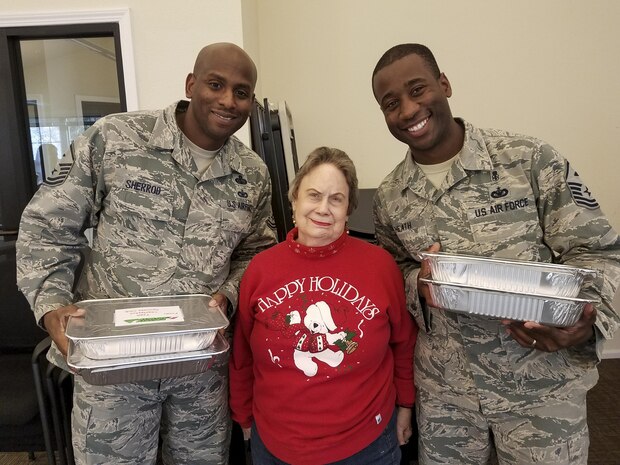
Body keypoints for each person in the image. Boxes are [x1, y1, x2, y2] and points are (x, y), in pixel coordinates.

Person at [16, 42, 277, 465]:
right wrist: (51, 307)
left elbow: (258, 254)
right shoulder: (116, 139)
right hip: (113, 367)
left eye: (241, 92)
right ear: (192, 85)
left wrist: (228, 294)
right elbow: (47, 226)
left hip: (200, 368)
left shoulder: (252, 174)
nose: (229, 100)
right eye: (216, 84)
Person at [371, 43, 620, 465]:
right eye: (391, 103)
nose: (408, 110)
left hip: (542, 386)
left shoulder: (529, 160)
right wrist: (421, 283)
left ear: (445, 85)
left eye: (418, 90)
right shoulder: (390, 195)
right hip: (447, 399)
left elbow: (599, 253)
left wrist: (584, 322)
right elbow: (394, 269)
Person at [229, 147, 417, 465]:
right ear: (294, 202)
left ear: (349, 210)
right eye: (313, 195)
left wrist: (406, 406)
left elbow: (404, 343)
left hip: (366, 443)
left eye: (336, 199)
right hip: (277, 446)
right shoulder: (260, 269)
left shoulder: (380, 266)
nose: (323, 208)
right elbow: (242, 353)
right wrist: (243, 416)